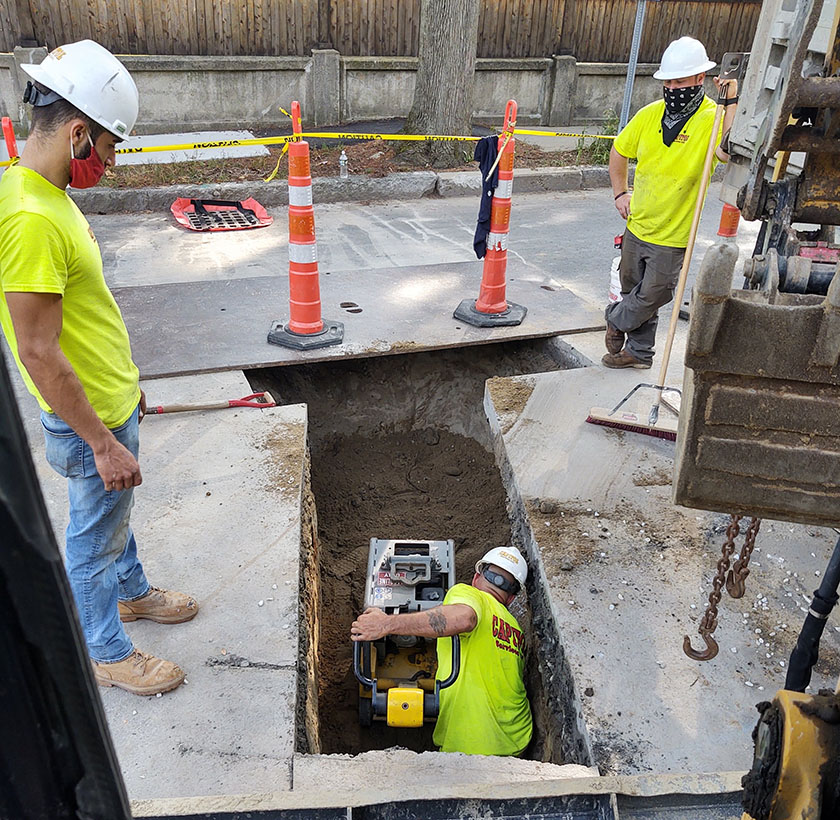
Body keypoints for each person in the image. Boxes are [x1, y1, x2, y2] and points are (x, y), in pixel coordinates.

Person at [0, 40, 197, 696]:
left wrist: (124, 387)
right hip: (89, 429)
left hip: (105, 408)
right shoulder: (30, 218)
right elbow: (37, 351)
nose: (111, 162)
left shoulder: (45, 196)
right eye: (110, 146)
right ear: (78, 132)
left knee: (113, 519)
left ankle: (133, 594)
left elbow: (79, 323)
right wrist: (102, 441)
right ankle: (107, 652)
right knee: (91, 541)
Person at [603, 36, 738, 369]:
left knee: (655, 293)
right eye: (668, 82)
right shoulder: (649, 115)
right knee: (633, 289)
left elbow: (727, 149)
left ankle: (616, 318)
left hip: (675, 234)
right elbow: (619, 151)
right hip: (638, 224)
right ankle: (639, 353)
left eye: (679, 81)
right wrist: (620, 193)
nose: (672, 88)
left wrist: (731, 101)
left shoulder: (712, 117)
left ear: (699, 80)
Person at [351, 546, 532, 756]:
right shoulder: (515, 628)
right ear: (510, 598)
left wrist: (387, 624)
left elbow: (464, 618)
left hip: (474, 745)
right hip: (518, 738)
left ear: (476, 577)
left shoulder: (469, 593)